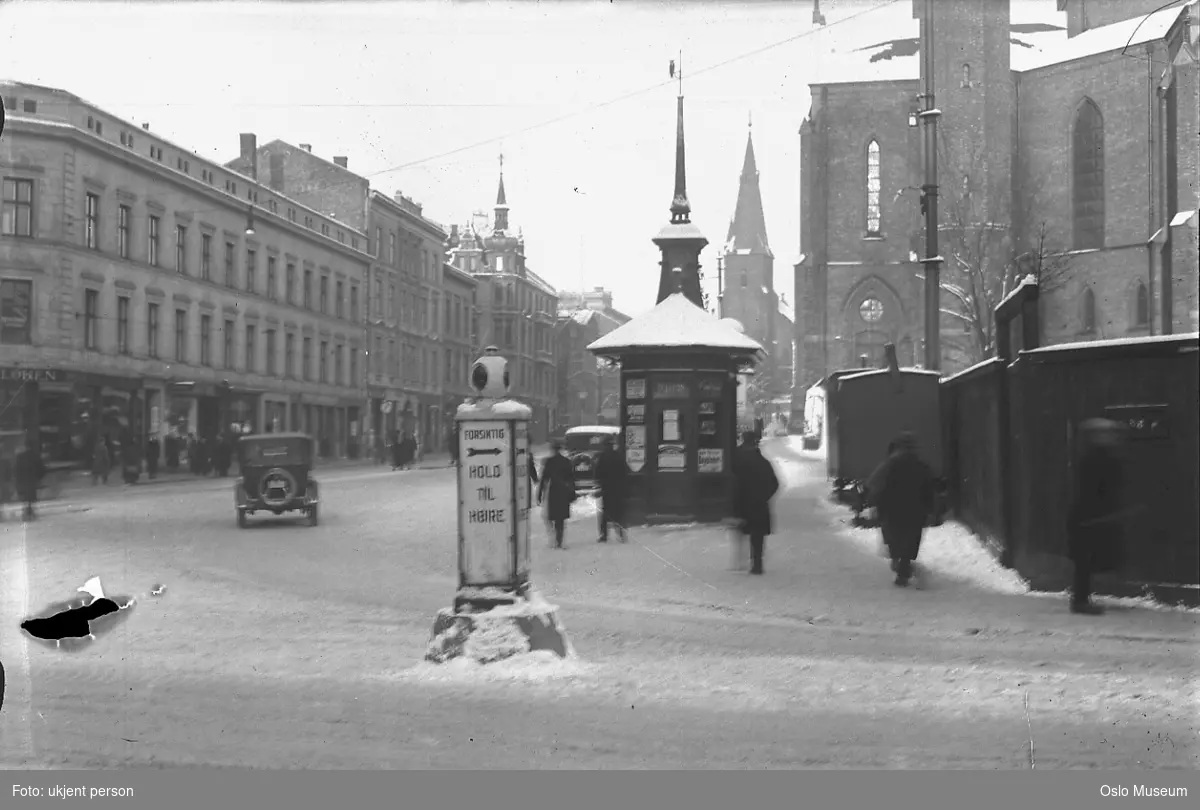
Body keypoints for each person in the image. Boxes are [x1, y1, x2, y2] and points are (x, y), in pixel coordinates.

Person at [1066, 418, 1128, 616]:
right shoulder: (1094, 458)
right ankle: (1080, 601)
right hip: (1088, 516)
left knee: (1086, 559)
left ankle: (1081, 599)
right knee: (1084, 560)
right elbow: (1095, 489)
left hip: (1090, 515)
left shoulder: (1098, 456)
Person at [866, 432, 935, 587]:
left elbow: (876, 485)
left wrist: (874, 503)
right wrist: (930, 509)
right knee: (909, 540)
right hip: (915, 510)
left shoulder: (889, 465)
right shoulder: (921, 465)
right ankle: (903, 565)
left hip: (892, 511)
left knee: (894, 540)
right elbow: (930, 488)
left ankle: (900, 566)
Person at [731, 431, 781, 575]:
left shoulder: (736, 459)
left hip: (742, 502)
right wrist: (764, 496)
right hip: (759, 504)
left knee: (739, 530)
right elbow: (775, 484)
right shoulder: (763, 462)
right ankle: (757, 564)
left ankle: (738, 561)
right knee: (757, 534)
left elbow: (733, 481)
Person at [537, 441, 575, 550]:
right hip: (563, 492)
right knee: (561, 518)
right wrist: (572, 492)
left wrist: (540, 493)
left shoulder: (549, 462)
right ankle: (559, 540)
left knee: (551, 516)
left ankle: (554, 538)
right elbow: (571, 479)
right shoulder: (566, 462)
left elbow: (544, 479)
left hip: (553, 492)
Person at [593, 437, 628, 543]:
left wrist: (598, 484)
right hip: (618, 488)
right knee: (619, 512)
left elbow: (598, 473)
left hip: (607, 488)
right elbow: (624, 471)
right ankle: (621, 534)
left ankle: (604, 535)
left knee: (605, 512)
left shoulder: (602, 457)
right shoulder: (619, 456)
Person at [14, 437, 45, 521]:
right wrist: (39, 478)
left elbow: (16, 470)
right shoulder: (35, 456)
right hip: (31, 481)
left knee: (25, 498)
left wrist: (16, 480)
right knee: (30, 497)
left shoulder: (19, 457)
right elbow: (41, 470)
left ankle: (26, 511)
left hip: (22, 482)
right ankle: (29, 511)